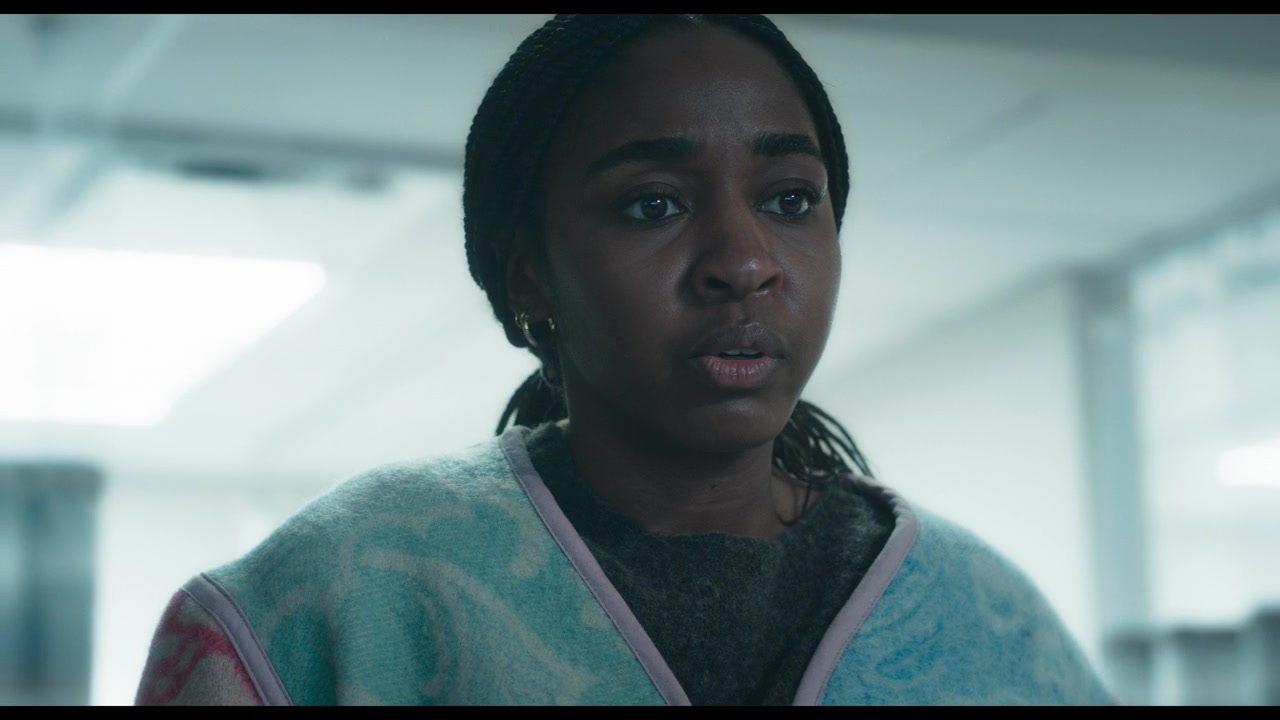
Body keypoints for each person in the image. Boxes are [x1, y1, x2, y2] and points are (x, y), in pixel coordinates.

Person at [134, 14, 1113, 705]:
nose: (743, 263)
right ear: (529, 277)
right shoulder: (341, 598)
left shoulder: (986, 621)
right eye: (653, 204)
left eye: (788, 200)